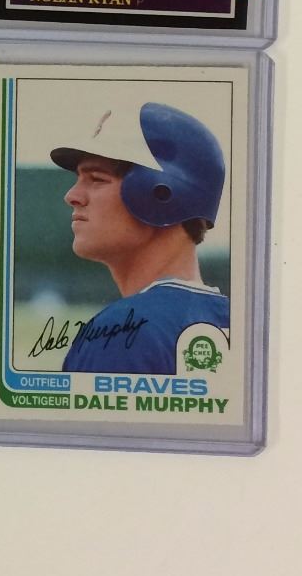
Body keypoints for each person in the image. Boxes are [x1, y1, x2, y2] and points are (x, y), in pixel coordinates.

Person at [48, 100, 230, 375]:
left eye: (96, 179)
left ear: (161, 192)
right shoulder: (238, 323)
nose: (72, 196)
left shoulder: (121, 332)